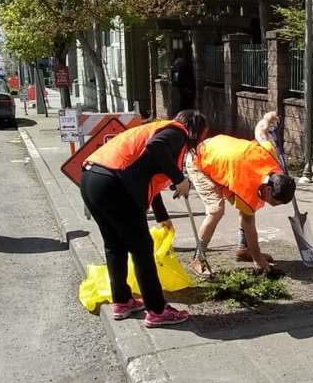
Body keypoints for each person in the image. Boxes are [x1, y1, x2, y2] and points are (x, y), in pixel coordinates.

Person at [80, 109, 208, 327]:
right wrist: (179, 179)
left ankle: (122, 301)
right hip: (113, 184)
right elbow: (156, 147)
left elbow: (149, 177)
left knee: (115, 245)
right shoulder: (178, 132)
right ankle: (157, 310)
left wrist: (162, 217)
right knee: (142, 249)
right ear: (195, 130)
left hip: (91, 178)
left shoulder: (157, 130)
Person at [186, 111, 296, 275]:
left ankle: (243, 249)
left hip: (221, 155)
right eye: (274, 202)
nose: (273, 205)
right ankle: (198, 258)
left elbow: (261, 131)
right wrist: (259, 259)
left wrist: (267, 119)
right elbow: (249, 224)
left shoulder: (270, 156)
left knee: (247, 207)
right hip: (199, 160)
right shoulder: (247, 186)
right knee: (216, 210)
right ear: (268, 189)